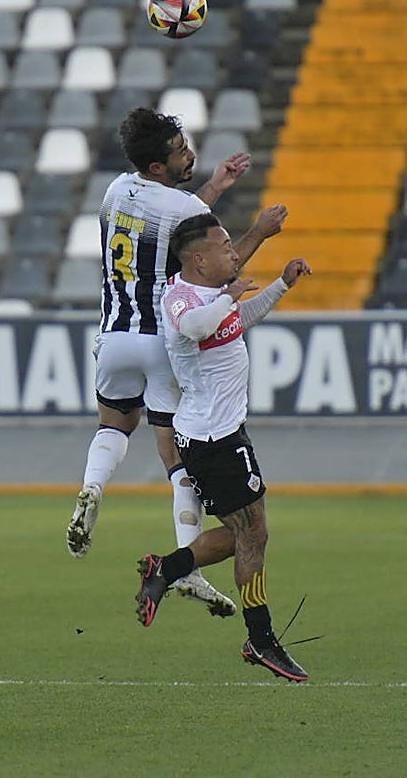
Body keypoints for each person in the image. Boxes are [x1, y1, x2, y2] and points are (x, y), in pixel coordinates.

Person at [66, 108, 287, 620]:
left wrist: (214, 187)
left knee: (114, 424)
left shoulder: (118, 190)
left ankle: (92, 486)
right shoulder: (184, 210)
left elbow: (174, 220)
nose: (189, 153)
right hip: (160, 336)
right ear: (160, 165)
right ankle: (188, 569)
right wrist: (259, 232)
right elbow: (213, 258)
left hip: (113, 334)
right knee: (178, 459)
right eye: (180, 149)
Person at [134, 213, 313, 683]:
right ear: (199, 259)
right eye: (225, 245)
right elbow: (195, 327)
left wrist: (280, 286)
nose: (234, 252)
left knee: (245, 536)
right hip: (213, 438)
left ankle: (166, 568)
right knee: (254, 535)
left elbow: (238, 319)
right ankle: (261, 638)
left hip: (221, 433)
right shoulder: (180, 297)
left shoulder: (214, 296)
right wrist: (230, 294)